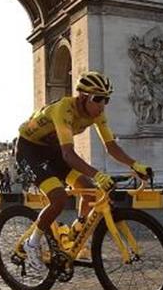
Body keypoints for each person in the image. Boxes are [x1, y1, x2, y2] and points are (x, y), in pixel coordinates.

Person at [15, 70, 152, 273]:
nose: (102, 105)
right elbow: (69, 155)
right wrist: (97, 174)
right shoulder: (63, 109)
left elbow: (111, 146)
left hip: (53, 151)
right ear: (83, 96)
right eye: (98, 99)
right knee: (59, 197)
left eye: (106, 99)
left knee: (88, 189)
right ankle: (32, 243)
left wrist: (135, 165)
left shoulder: (97, 114)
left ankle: (76, 230)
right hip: (30, 149)